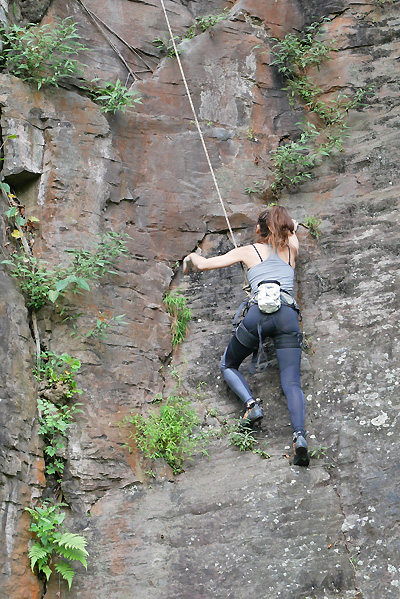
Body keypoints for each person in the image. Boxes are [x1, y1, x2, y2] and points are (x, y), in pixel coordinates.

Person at [183, 205, 309, 466]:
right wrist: (288, 224)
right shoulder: (292, 250)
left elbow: (205, 265)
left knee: (228, 364)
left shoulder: (248, 251)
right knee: (292, 383)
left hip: (258, 317)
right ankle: (299, 437)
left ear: (258, 230)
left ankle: (252, 405)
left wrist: (191, 257)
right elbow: (293, 227)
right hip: (287, 316)